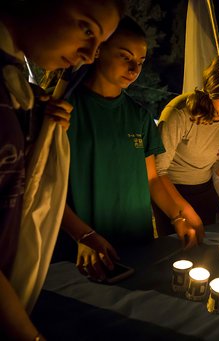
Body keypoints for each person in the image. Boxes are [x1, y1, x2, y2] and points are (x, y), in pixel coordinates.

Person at [0, 0, 123, 339]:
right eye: (86, 29)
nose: (88, 53)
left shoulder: (20, 93)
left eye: (98, 45)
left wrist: (41, 130)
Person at [54, 16, 204, 282]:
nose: (135, 68)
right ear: (98, 50)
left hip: (136, 244)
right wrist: (83, 235)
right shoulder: (63, 110)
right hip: (83, 248)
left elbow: (153, 178)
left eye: (141, 62)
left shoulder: (139, 117)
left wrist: (177, 216)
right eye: (125, 57)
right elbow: (45, 187)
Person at [155, 49, 219, 226]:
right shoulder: (180, 113)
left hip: (204, 189)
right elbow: (158, 171)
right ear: (213, 87)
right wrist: (183, 211)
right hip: (170, 190)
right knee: (177, 249)